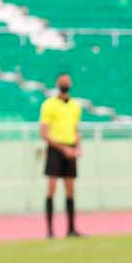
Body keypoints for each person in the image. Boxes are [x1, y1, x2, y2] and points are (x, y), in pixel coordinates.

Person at [39, 73, 82, 238]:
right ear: (57, 83)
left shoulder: (76, 106)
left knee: (70, 189)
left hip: (70, 148)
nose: (65, 83)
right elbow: (44, 133)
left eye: (67, 80)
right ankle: (50, 231)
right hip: (55, 148)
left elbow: (76, 130)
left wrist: (78, 147)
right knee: (51, 188)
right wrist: (62, 148)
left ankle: (71, 229)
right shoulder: (49, 105)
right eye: (62, 80)